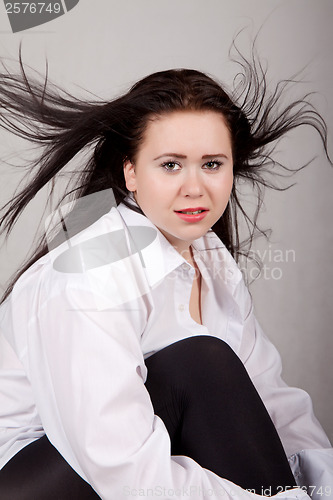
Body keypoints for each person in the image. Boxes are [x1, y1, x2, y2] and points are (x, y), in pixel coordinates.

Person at [0, 53, 332, 500]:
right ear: (130, 172)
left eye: (212, 164)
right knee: (199, 362)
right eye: (171, 165)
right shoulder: (88, 269)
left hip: (112, 467)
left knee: (208, 366)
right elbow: (123, 468)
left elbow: (272, 406)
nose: (195, 187)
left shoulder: (213, 261)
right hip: (29, 481)